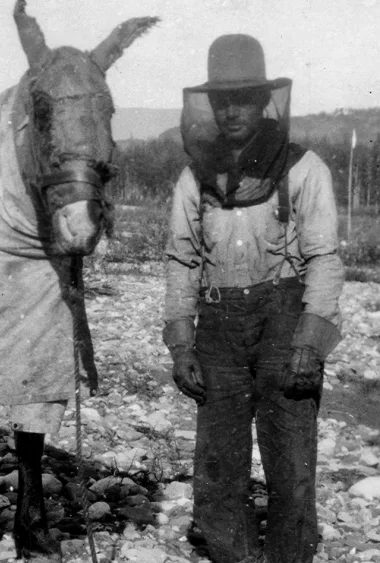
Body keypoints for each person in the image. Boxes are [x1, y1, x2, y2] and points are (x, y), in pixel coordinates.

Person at [163, 34, 344, 563]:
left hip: (284, 324)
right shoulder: (195, 174)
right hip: (218, 323)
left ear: (265, 100)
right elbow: (181, 261)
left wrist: (309, 347)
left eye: (243, 98)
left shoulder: (304, 168)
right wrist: (180, 344)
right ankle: (229, 553)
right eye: (223, 101)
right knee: (218, 456)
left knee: (290, 456)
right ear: (210, 106)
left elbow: (325, 261)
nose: (232, 110)